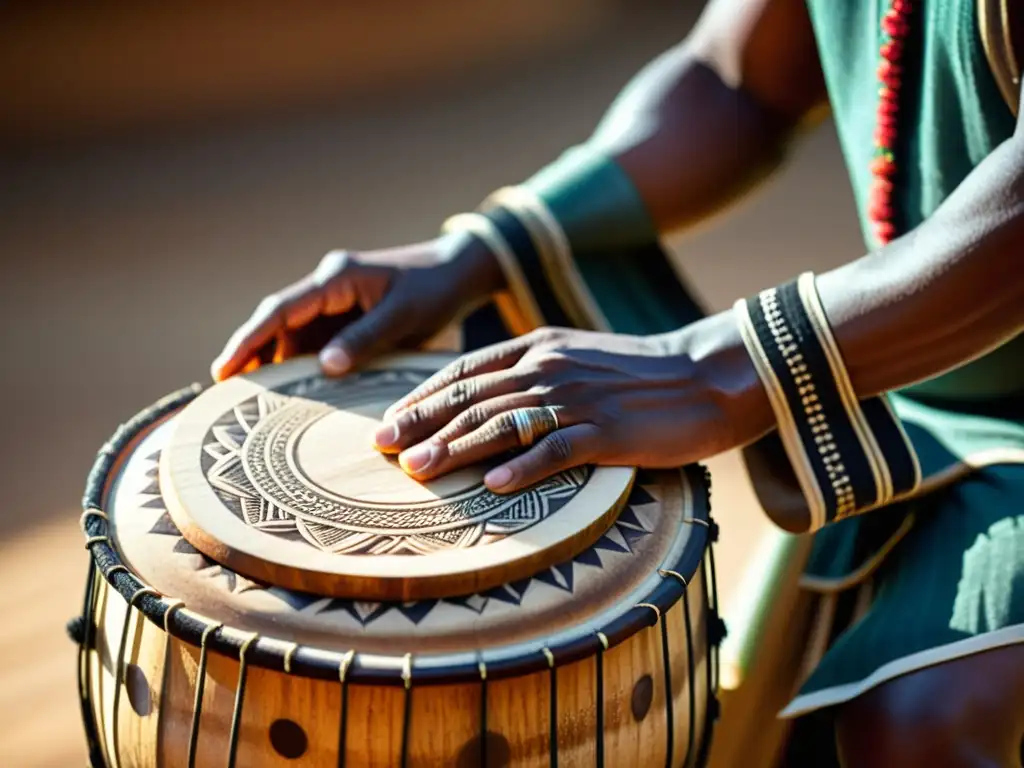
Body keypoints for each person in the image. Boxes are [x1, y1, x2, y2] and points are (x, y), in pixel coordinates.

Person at [211, 0, 1024, 764]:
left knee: (923, 718)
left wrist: (709, 370)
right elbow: (734, 82)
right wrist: (487, 246)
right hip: (914, 391)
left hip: (945, 392)